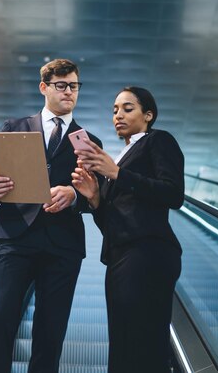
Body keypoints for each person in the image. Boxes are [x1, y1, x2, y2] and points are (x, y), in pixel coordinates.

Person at [0, 58, 101, 373]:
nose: (69, 92)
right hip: (15, 238)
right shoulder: (14, 128)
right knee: (1, 317)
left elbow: (99, 196)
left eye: (74, 86)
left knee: (51, 330)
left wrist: (75, 195)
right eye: (61, 86)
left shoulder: (90, 142)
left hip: (63, 246)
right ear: (44, 87)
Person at [71, 86, 184, 373]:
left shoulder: (158, 141)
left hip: (150, 252)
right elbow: (111, 224)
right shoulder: (118, 159)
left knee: (145, 343)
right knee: (122, 344)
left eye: (127, 108)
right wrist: (95, 198)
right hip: (120, 257)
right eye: (114, 110)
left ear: (148, 115)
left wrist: (117, 174)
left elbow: (173, 194)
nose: (118, 115)